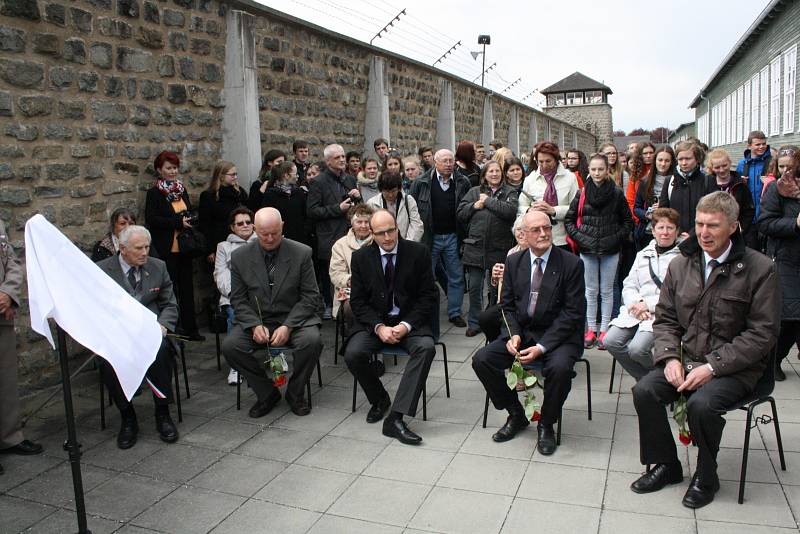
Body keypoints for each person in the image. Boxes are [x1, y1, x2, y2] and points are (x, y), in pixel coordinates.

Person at [630, 191, 779, 509]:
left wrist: (711, 367)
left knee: (702, 404)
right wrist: (669, 356)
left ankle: (706, 476)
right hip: (687, 357)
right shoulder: (681, 264)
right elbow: (666, 318)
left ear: (733, 227)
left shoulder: (760, 269)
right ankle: (667, 465)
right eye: (699, 224)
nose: (704, 233)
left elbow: (762, 335)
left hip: (738, 367)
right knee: (645, 390)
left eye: (713, 225)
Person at [472, 210, 586, 454]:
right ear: (523, 234)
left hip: (559, 336)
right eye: (536, 230)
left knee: (560, 368)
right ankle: (516, 413)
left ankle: (546, 423)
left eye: (547, 228)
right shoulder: (515, 261)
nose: (544, 233)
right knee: (482, 360)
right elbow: (507, 305)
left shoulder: (571, 264)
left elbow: (572, 314)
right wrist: (513, 334)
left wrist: (542, 348)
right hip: (524, 332)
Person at [344, 209, 438, 444]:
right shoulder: (361, 258)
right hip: (376, 324)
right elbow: (357, 301)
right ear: (371, 234)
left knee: (426, 348)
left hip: (410, 324)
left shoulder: (418, 253)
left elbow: (428, 296)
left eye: (391, 231)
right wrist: (378, 327)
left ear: (398, 228)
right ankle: (379, 399)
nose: (387, 238)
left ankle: (395, 418)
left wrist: (406, 325)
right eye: (381, 233)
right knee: (353, 353)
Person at [222, 208, 323, 418]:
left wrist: (289, 325)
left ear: (282, 227)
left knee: (312, 341)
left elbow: (311, 296)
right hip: (259, 320)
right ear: (254, 230)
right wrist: (253, 324)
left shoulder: (301, 253)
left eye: (274, 233)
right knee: (231, 347)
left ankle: (295, 393)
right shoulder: (240, 257)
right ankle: (267, 393)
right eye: (263, 233)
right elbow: (238, 299)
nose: (269, 238)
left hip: (294, 319)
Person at [96, 225, 181, 449]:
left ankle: (162, 413)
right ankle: (128, 417)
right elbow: (97, 309)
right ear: (122, 249)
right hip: (118, 334)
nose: (145, 252)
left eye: (147, 247)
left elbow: (169, 303)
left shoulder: (157, 267)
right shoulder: (102, 271)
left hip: (151, 331)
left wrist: (163, 325)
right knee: (107, 360)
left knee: (161, 351)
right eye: (138, 248)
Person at [565, 153, 633, 349]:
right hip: (587, 249)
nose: (596, 173)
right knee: (590, 290)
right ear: (589, 170)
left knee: (607, 290)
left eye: (600, 169)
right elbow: (569, 220)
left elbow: (627, 221)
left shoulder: (617, 193)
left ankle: (604, 329)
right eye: (593, 169)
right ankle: (590, 329)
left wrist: (616, 238)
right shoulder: (582, 192)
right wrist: (580, 237)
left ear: (607, 170)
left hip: (610, 249)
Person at [604, 208, 682, 380]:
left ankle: (656, 383)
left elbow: (680, 293)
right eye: (660, 228)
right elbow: (629, 284)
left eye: (670, 228)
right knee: (610, 341)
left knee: (637, 349)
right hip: (637, 310)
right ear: (653, 231)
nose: (665, 232)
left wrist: (648, 305)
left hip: (664, 314)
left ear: (677, 231)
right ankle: (648, 379)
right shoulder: (642, 255)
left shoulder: (683, 259)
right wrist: (637, 303)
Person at [144, 150, 202, 341]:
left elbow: (189, 209)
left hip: (185, 247)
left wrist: (190, 219)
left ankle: (191, 329)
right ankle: (173, 329)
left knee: (187, 288)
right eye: (169, 168)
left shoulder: (181, 189)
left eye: (175, 168)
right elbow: (152, 220)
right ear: (159, 170)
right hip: (167, 248)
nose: (172, 172)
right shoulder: (154, 193)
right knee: (170, 291)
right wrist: (177, 223)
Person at [410, 148, 471, 327]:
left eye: (451, 160)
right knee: (425, 275)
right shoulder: (421, 182)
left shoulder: (462, 181)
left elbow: (466, 208)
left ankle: (454, 312)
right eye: (444, 161)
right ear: (435, 163)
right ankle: (424, 311)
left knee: (456, 275)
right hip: (430, 237)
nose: (448, 164)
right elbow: (412, 209)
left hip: (453, 235)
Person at [0, 220, 43, 472]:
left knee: (6, 381)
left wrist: (7, 293)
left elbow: (12, 263)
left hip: (2, 313)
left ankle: (10, 437)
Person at [457, 160, 519, 337]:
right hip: (474, 248)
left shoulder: (510, 192)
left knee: (495, 290)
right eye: (490, 171)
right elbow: (461, 214)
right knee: (475, 288)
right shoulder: (474, 192)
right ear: (484, 175)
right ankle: (475, 323)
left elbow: (510, 212)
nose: (494, 174)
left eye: (497, 171)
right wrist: (473, 206)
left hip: (498, 249)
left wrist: (488, 201)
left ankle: (492, 321)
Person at [758, 149, 800, 381]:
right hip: (785, 258)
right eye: (782, 166)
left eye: (790, 166)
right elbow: (765, 223)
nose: (786, 171)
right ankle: (774, 360)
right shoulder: (775, 190)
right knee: (789, 318)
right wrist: (794, 223)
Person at [308, 144, 360, 320]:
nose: (342, 160)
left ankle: (352, 305)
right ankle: (331, 306)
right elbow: (313, 211)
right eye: (337, 157)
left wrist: (356, 198)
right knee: (330, 273)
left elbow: (356, 209)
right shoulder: (318, 182)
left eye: (343, 156)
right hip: (329, 235)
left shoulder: (349, 179)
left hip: (350, 233)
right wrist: (338, 208)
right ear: (328, 161)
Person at [214, 207, 257, 385]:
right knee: (234, 316)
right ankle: (237, 365)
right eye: (240, 223)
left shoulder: (263, 241)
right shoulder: (224, 247)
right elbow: (221, 273)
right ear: (233, 227)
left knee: (274, 312)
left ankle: (276, 355)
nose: (245, 225)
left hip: (260, 294)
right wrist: (235, 293)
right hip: (234, 295)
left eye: (248, 222)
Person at [517, 141, 580, 251]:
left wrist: (553, 210)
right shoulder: (530, 180)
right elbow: (520, 206)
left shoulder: (570, 178)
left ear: (556, 159)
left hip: (562, 238)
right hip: (537, 239)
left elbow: (576, 208)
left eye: (548, 161)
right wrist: (529, 211)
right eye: (540, 162)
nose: (544, 165)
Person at [477, 218, 529, 343]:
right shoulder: (512, 252)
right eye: (518, 229)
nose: (520, 233)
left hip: (526, 302)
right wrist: (496, 277)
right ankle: (499, 344)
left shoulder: (536, 252)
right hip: (509, 301)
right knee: (485, 318)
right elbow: (502, 285)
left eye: (524, 230)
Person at [330, 203, 375, 328]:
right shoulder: (340, 245)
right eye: (359, 222)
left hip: (376, 290)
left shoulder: (378, 241)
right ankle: (355, 336)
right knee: (352, 306)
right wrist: (353, 280)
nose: (363, 226)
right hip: (350, 292)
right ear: (351, 223)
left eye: (367, 222)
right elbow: (336, 274)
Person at [659, 141, 717, 234]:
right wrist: (677, 232)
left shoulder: (708, 181)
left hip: (701, 236)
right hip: (675, 236)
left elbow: (713, 212)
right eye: (680, 159)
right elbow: (663, 212)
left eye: (688, 159)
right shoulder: (669, 181)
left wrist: (693, 234)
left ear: (697, 159)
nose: (684, 163)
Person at [199, 160, 248, 264]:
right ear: (221, 176)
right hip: (219, 242)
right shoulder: (209, 196)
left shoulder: (239, 193)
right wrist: (210, 250)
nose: (235, 177)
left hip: (241, 241)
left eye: (236, 174)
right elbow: (205, 225)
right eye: (232, 174)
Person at [705, 149, 755, 239]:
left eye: (724, 165)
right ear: (712, 168)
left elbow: (748, 210)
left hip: (735, 233)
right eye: (717, 167)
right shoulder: (706, 184)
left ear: (730, 163)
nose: (722, 170)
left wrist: (741, 229)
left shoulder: (740, 184)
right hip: (712, 232)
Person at [261, 161, 312, 246]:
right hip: (279, 239)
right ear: (286, 175)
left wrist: (305, 231)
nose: (297, 176)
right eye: (295, 174)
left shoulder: (299, 193)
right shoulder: (270, 195)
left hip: (300, 239)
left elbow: (305, 214)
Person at [633, 147, 676, 250]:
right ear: (655, 161)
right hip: (648, 232)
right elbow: (636, 208)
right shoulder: (645, 182)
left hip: (669, 231)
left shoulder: (676, 182)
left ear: (671, 162)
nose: (663, 164)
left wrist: (665, 207)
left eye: (667, 160)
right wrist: (648, 214)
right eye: (660, 160)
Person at [366, 171, 424, 241]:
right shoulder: (372, 203)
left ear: (399, 188)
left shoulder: (408, 200)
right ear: (381, 189)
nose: (390, 195)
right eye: (387, 191)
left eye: (393, 191)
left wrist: (408, 244)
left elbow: (416, 224)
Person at [736, 130, 771, 224]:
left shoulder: (772, 163)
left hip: (767, 215)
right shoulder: (742, 164)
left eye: (764, 144)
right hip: (748, 217)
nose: (762, 147)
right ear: (749, 146)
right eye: (758, 144)